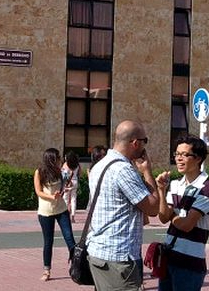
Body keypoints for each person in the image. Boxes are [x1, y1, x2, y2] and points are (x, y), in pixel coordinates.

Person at [86, 120, 159, 291]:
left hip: (98, 253)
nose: (144, 147)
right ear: (135, 143)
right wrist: (147, 171)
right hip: (118, 258)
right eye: (145, 141)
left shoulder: (100, 166)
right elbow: (153, 208)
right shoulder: (123, 170)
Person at [155, 136, 209, 291]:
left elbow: (187, 225)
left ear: (198, 158)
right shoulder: (175, 184)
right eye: (176, 154)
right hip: (169, 258)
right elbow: (163, 217)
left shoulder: (207, 187)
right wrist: (161, 191)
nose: (179, 159)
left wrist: (172, 215)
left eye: (184, 155)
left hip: (190, 263)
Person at [34, 148, 76, 282]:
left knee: (69, 237)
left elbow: (63, 187)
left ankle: (77, 266)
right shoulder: (39, 172)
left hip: (61, 209)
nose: (60, 159)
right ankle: (47, 270)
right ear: (51, 159)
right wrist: (51, 196)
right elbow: (38, 192)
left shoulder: (60, 172)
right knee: (48, 241)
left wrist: (65, 190)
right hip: (46, 212)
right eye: (58, 157)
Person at [61, 150, 81, 223]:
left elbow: (63, 175)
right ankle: (73, 217)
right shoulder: (77, 165)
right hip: (75, 181)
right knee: (73, 199)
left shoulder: (65, 164)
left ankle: (66, 216)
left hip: (68, 183)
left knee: (65, 199)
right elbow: (79, 174)